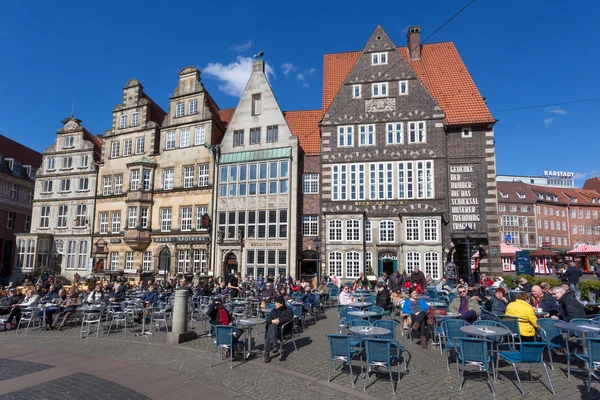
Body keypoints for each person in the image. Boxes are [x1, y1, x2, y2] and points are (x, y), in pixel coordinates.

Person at [264, 296, 294, 363]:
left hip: (284, 329)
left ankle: (267, 352)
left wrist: (279, 320)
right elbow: (268, 320)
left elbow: (289, 318)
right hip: (275, 330)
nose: (275, 304)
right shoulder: (273, 311)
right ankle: (274, 344)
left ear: (281, 304)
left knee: (270, 330)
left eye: (276, 303)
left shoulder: (288, 310)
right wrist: (273, 321)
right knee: (272, 326)